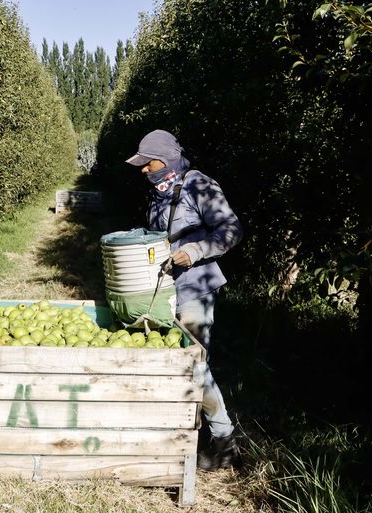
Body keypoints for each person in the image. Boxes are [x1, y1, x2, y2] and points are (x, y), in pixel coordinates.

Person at [126, 129, 243, 470]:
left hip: (195, 287)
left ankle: (225, 443)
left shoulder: (199, 185)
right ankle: (177, 435)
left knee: (194, 366)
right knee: (170, 364)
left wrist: (194, 251)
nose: (144, 171)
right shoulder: (160, 192)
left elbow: (231, 229)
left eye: (149, 164)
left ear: (167, 159)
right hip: (164, 291)